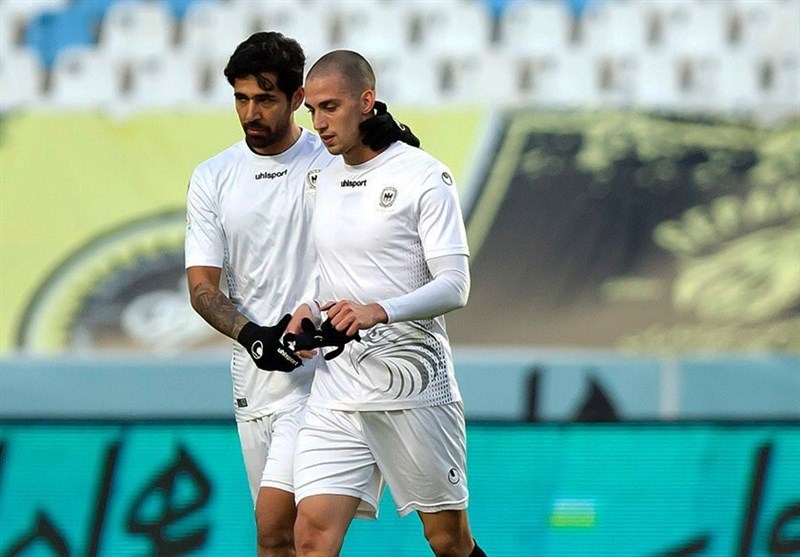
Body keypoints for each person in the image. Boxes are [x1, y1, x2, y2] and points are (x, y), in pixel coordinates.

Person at [184, 32, 418, 557]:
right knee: (274, 540)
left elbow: (399, 192)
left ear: (297, 100)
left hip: (327, 376)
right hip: (256, 375)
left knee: (288, 527)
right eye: (241, 98)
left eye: (265, 98)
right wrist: (254, 336)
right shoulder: (212, 177)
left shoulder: (335, 160)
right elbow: (202, 289)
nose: (250, 112)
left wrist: (393, 139)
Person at [290, 50, 487, 557]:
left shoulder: (425, 176)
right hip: (339, 385)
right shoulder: (322, 176)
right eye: (311, 110)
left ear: (367, 101)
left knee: (447, 540)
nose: (319, 123)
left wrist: (381, 309)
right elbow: (336, 274)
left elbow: (455, 285)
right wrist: (309, 308)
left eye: (330, 107)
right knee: (310, 535)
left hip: (413, 381)